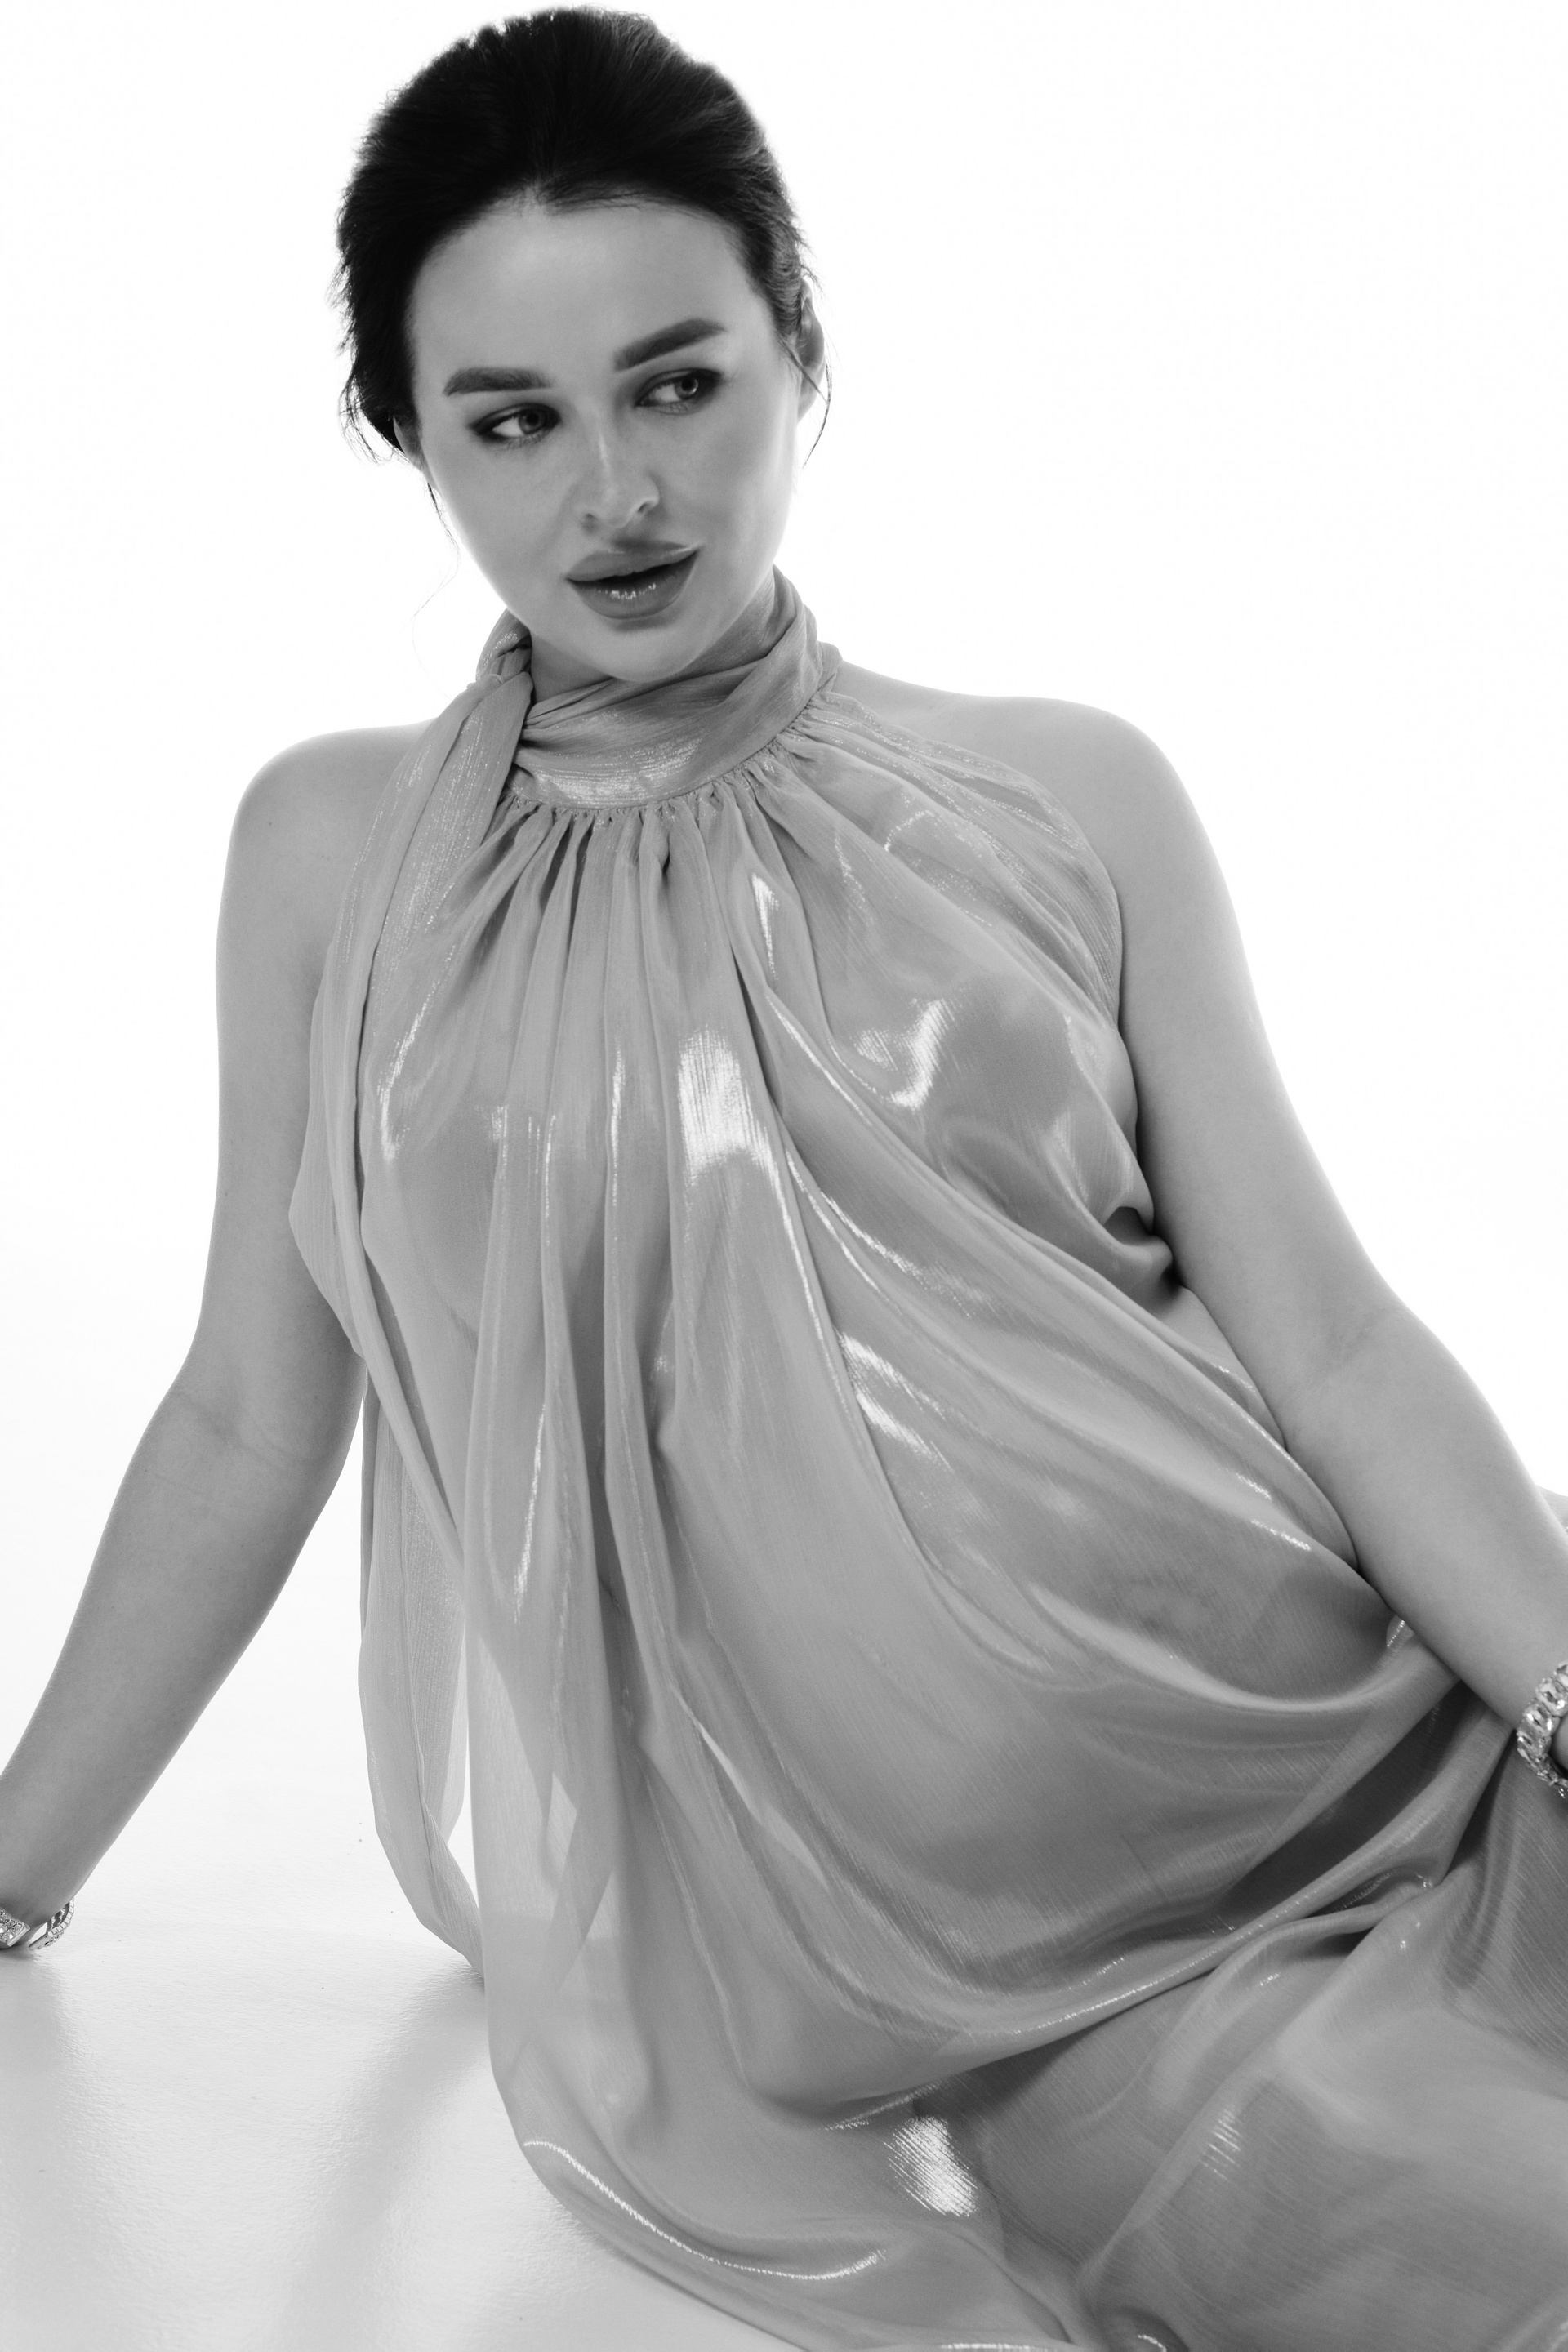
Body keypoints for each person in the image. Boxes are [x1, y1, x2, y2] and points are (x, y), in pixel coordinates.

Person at [3, 8, 1567, 2347]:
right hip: (992, 1968)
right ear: (405, 439)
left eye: (677, 384)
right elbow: (250, 1409)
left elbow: (1329, 1345)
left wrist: (1563, 1700)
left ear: (798, 356)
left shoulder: (1071, 793)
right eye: (510, 421)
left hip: (1357, 1727)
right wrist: (14, 1864)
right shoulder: (331, 859)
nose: (615, 491)